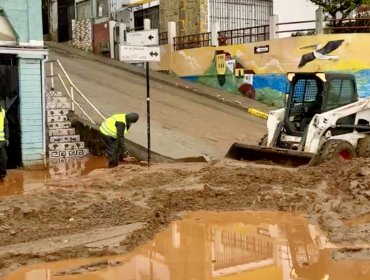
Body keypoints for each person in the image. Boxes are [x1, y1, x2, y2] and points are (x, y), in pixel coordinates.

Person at [0, 105, 8, 181]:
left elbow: (6, 125)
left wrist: (7, 138)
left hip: (1, 141)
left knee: (4, 158)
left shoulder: (2, 111)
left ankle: (2, 175)